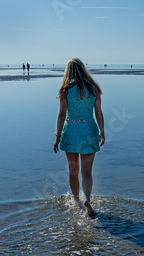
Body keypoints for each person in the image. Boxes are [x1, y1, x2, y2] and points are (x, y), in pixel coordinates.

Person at [53, 58, 105, 216]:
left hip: (71, 130)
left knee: (73, 169)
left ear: (68, 72)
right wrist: (102, 132)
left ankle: (76, 201)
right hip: (89, 129)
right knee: (87, 172)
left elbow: (62, 114)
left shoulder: (65, 89)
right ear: (83, 69)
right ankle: (87, 199)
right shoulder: (93, 88)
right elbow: (98, 112)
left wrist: (57, 137)